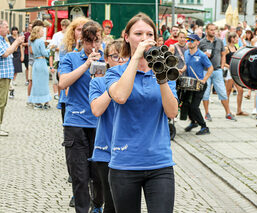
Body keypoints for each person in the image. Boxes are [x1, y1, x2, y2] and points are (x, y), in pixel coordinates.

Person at [105, 13, 178, 213]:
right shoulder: (115, 72)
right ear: (127, 37)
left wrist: (161, 76)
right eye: (138, 33)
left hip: (159, 163)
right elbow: (120, 96)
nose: (144, 38)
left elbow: (172, 112)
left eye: (149, 33)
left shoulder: (165, 70)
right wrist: (136, 57)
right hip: (125, 163)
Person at [59, 20, 104, 213]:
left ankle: (98, 205)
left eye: (96, 40)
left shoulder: (109, 59)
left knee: (100, 175)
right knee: (79, 175)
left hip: (100, 123)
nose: (92, 46)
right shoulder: (70, 58)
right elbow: (63, 83)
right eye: (88, 41)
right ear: (81, 39)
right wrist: (87, 64)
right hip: (75, 122)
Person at [89, 40, 126, 213]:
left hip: (129, 150)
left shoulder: (134, 82)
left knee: (125, 202)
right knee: (111, 201)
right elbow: (96, 109)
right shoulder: (98, 83)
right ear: (106, 59)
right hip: (106, 150)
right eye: (115, 56)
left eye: (125, 57)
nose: (120, 61)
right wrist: (113, 87)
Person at [199, 24, 237, 122]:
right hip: (205, 71)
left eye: (214, 30)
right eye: (211, 30)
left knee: (223, 92)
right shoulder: (201, 42)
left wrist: (222, 65)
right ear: (206, 30)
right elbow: (197, 55)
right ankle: (207, 113)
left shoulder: (219, 41)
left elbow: (223, 54)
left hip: (217, 70)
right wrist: (203, 54)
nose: (213, 32)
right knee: (206, 93)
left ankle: (228, 113)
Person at [179, 34, 213, 134]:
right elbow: (187, 64)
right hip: (189, 84)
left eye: (192, 40)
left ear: (197, 42)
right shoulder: (186, 53)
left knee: (194, 106)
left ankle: (204, 127)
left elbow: (210, 68)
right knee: (186, 103)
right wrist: (182, 69)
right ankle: (193, 122)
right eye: (188, 40)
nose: (189, 41)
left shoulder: (202, 55)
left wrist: (204, 79)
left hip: (199, 84)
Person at [0, 20, 24, 136]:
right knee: (1, 102)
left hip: (5, 75)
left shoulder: (3, 39)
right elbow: (4, 53)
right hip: (2, 76)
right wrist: (17, 42)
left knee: (3, 102)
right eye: (6, 27)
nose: (8, 29)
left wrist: (17, 43)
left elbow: (11, 50)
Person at [224, 32, 248, 117]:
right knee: (228, 91)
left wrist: (243, 41)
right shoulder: (226, 49)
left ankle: (239, 110)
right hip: (228, 72)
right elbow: (222, 63)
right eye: (236, 38)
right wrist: (230, 66)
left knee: (240, 90)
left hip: (234, 72)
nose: (237, 39)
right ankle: (228, 111)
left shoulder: (235, 47)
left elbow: (243, 49)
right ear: (232, 38)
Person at [28, 26, 51, 109]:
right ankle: (46, 102)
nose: (43, 32)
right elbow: (44, 53)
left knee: (37, 83)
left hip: (36, 62)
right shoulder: (41, 41)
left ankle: (37, 102)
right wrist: (50, 49)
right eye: (42, 31)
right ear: (38, 32)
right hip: (42, 62)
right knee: (44, 83)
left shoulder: (32, 41)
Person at [49, 19, 70, 100]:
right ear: (61, 27)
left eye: (67, 27)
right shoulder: (57, 35)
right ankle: (59, 96)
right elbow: (52, 47)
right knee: (59, 80)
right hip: (58, 59)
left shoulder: (69, 36)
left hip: (67, 59)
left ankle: (65, 96)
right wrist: (61, 49)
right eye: (64, 26)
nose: (65, 28)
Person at [7, 26, 24, 98]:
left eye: (16, 30)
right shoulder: (9, 38)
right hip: (11, 53)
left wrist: (22, 55)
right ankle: (11, 82)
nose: (15, 31)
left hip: (18, 54)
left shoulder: (19, 38)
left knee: (17, 67)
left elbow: (21, 47)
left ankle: (13, 79)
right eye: (13, 30)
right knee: (12, 67)